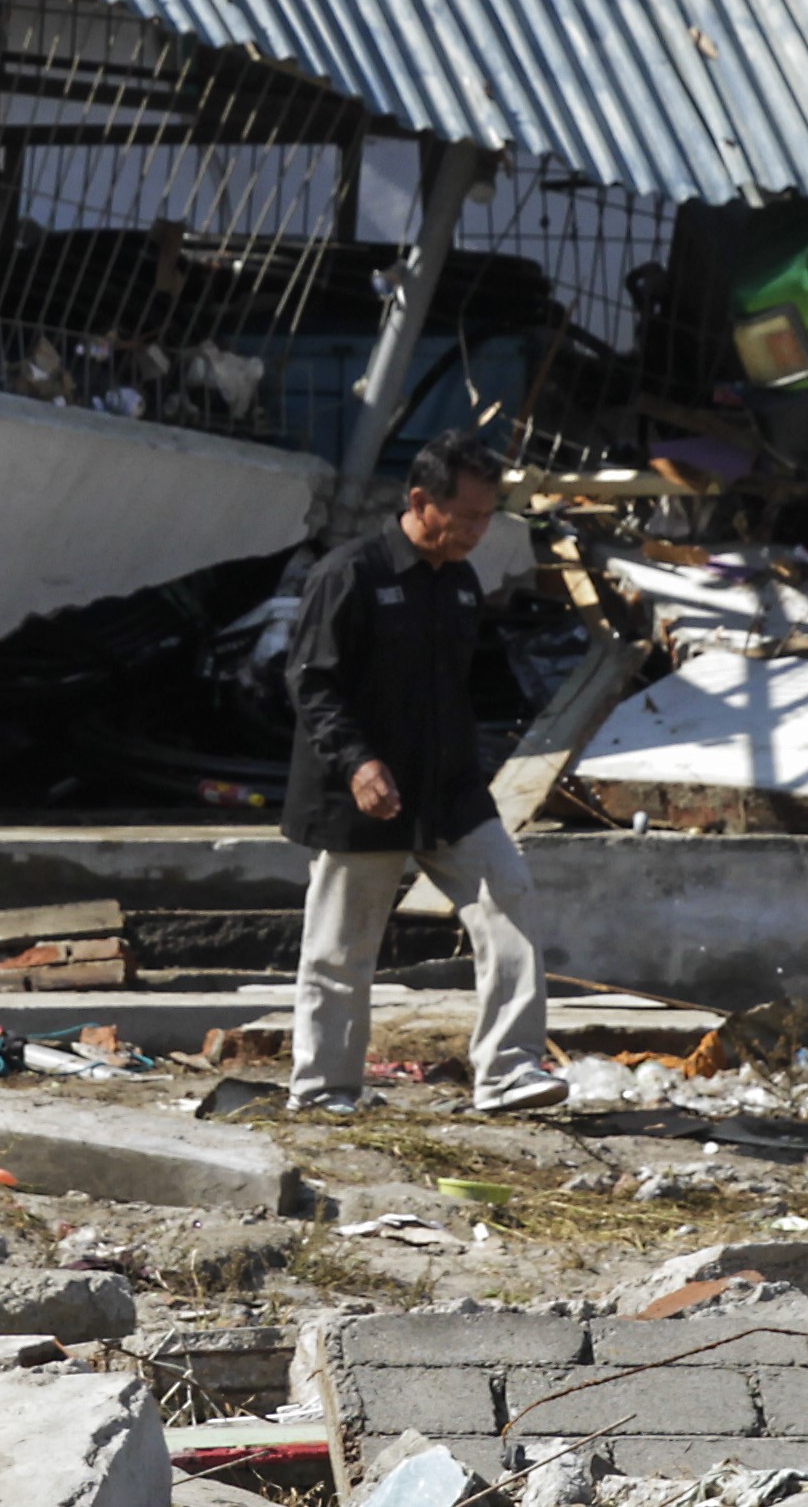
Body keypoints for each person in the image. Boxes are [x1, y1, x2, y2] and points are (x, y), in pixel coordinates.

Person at [281, 431, 568, 1116]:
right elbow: (311, 683)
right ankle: (324, 1090)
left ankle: (508, 1071)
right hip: (364, 795)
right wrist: (358, 763)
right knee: (342, 948)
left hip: (450, 792)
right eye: (465, 516)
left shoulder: (461, 585)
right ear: (420, 500)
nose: (477, 531)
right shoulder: (349, 575)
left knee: (510, 895)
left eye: (486, 518)